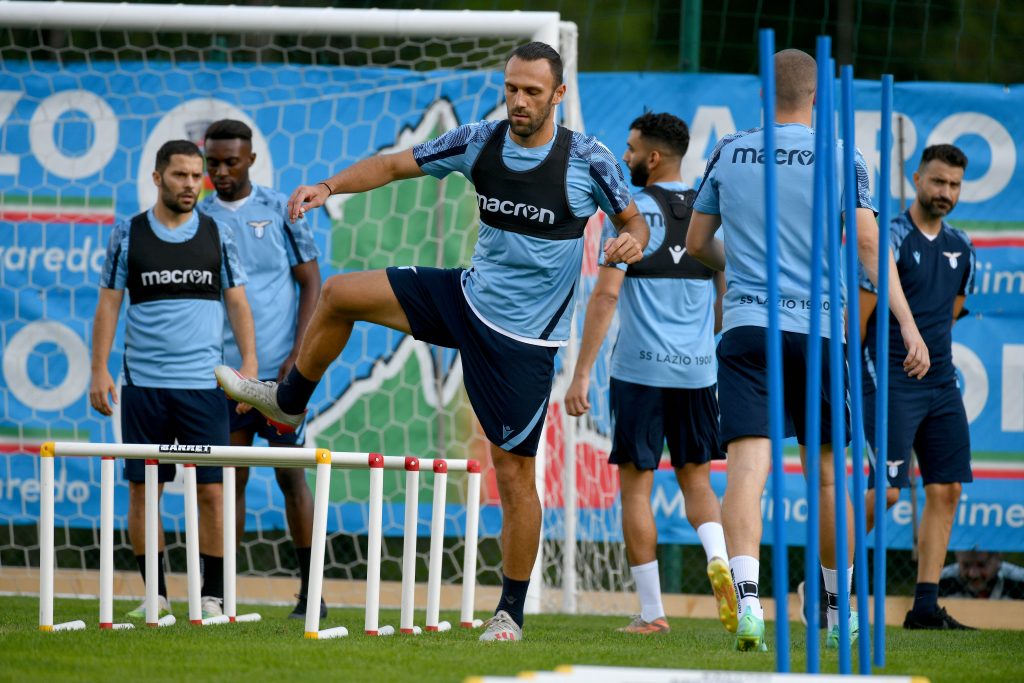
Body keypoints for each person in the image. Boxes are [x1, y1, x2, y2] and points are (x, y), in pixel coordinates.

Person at [215, 41, 648, 642]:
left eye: (531, 91)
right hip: (467, 297)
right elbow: (394, 165)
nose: (518, 101)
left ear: (559, 94)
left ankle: (510, 612)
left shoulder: (589, 160)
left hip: (524, 341)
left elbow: (634, 220)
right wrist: (328, 186)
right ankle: (288, 401)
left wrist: (632, 241)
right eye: (511, 88)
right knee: (339, 294)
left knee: (514, 473)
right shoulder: (480, 141)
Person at [685, 48, 930, 652]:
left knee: (748, 470)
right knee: (827, 478)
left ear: (763, 93)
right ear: (816, 97)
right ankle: (835, 603)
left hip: (747, 327)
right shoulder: (845, 156)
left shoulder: (729, 150)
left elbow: (695, 244)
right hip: (821, 329)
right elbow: (871, 246)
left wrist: (738, 272)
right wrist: (907, 322)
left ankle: (747, 601)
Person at [565, 112, 734, 635]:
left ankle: (652, 613)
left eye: (632, 149)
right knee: (697, 481)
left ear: (653, 158)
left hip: (640, 372)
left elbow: (608, 294)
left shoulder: (631, 215)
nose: (626, 157)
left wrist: (580, 373)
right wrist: (713, 352)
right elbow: (723, 292)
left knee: (636, 490)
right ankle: (723, 565)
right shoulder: (710, 214)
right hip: (698, 372)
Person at [89, 140, 256, 620]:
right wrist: (98, 369)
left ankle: (214, 595)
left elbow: (238, 303)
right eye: (180, 175)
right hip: (143, 386)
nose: (190, 184)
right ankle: (156, 595)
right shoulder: (128, 233)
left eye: (195, 175)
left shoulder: (217, 232)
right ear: (157, 177)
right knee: (144, 489)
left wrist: (249, 367)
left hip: (204, 388)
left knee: (212, 490)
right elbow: (108, 304)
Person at [199, 119, 324, 620]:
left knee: (292, 478)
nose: (222, 171)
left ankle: (311, 593)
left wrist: (300, 353)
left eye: (231, 161)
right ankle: (222, 593)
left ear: (251, 159)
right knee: (231, 478)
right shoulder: (199, 218)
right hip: (226, 375)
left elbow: (312, 283)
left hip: (279, 373)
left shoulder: (281, 209)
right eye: (213, 163)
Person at [859, 144, 977, 630]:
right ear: (915, 179)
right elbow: (861, 319)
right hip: (887, 377)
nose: (944, 192)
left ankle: (924, 607)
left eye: (953, 184)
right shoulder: (886, 239)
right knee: (886, 494)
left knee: (946, 488)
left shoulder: (963, 246)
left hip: (942, 383)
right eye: (937, 182)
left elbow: (949, 315)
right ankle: (823, 581)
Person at [940, 551, 1024, 600]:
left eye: (981, 565)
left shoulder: (1019, 582)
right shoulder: (940, 582)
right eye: (966, 565)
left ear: (998, 559)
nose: (973, 574)